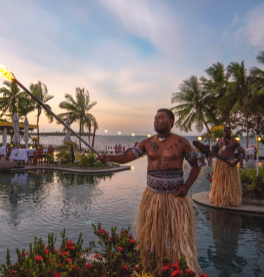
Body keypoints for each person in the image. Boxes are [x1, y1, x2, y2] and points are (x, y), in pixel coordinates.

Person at [99, 109, 204, 273]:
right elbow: (127, 157)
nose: (157, 120)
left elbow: (196, 166)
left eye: (161, 118)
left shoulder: (182, 142)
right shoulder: (146, 143)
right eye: (155, 118)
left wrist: (186, 186)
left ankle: (181, 270)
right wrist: (109, 157)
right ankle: (154, 268)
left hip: (175, 199)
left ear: (171, 121)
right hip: (153, 198)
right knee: (154, 238)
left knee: (178, 237)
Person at [205, 127, 246, 208]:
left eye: (227, 131)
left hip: (230, 163)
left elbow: (242, 153)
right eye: (224, 131)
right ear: (223, 132)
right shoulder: (220, 140)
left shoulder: (234, 142)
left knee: (229, 182)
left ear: (230, 131)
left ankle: (230, 199)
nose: (226, 132)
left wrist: (235, 162)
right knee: (220, 182)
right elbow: (215, 151)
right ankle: (219, 198)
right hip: (220, 164)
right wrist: (211, 152)